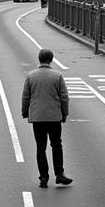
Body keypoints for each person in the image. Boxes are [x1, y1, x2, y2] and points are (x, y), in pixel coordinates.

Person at [21, 48, 72, 189]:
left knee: (40, 147)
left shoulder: (31, 76)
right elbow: (64, 97)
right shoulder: (57, 76)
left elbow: (26, 96)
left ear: (39, 59)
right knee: (56, 144)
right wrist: (64, 113)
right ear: (51, 59)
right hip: (54, 116)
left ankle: (43, 177)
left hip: (37, 117)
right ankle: (59, 173)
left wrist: (25, 112)